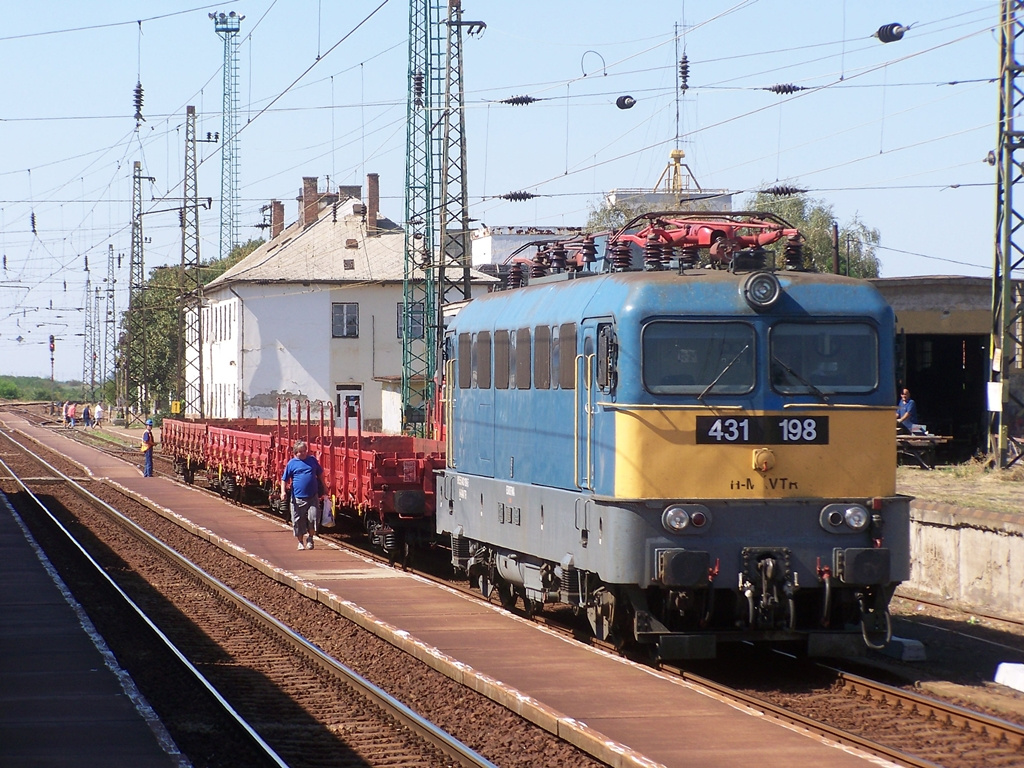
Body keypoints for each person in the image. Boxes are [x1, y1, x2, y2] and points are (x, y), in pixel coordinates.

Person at [280, 440, 324, 551]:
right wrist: (283, 492)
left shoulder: (312, 460)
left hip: (312, 496)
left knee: (313, 518)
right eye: (300, 452)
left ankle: (310, 538)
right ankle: (300, 542)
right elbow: (284, 479)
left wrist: (325, 488)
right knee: (298, 521)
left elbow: (320, 474)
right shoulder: (291, 463)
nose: (303, 453)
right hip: (297, 498)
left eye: (304, 451)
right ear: (295, 452)